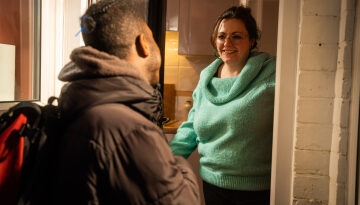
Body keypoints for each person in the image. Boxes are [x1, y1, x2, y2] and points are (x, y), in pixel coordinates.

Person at [53, 0, 200, 204]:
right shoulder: (131, 131)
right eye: (153, 38)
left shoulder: (83, 106)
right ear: (143, 44)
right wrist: (175, 162)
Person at [169, 6, 276, 205]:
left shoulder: (271, 72)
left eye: (236, 36)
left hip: (256, 191)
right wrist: (163, 161)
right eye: (221, 36)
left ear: (252, 41)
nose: (227, 43)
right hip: (212, 186)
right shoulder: (205, 79)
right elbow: (191, 127)